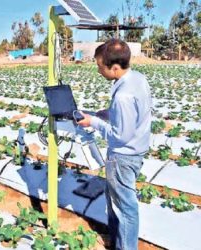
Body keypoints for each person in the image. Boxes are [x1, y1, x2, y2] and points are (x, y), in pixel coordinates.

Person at [77, 39, 152, 250]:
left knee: (125, 208)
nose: (98, 70)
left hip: (123, 155)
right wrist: (109, 114)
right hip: (136, 151)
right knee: (116, 200)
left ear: (115, 67)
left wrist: (93, 122)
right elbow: (137, 112)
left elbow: (121, 135)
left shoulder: (123, 95)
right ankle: (116, 240)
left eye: (101, 66)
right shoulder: (137, 78)